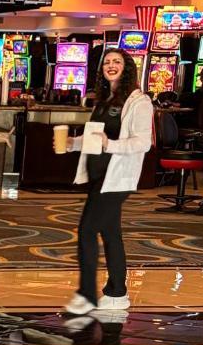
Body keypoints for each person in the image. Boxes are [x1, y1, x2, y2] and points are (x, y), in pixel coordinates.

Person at [59, 48, 154, 314]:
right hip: (99, 175)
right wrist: (72, 144)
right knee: (111, 233)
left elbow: (143, 143)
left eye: (117, 62)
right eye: (107, 62)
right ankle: (117, 293)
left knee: (87, 229)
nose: (111, 66)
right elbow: (94, 139)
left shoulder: (139, 101)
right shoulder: (103, 100)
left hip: (118, 177)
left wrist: (110, 144)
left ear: (127, 68)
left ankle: (88, 294)